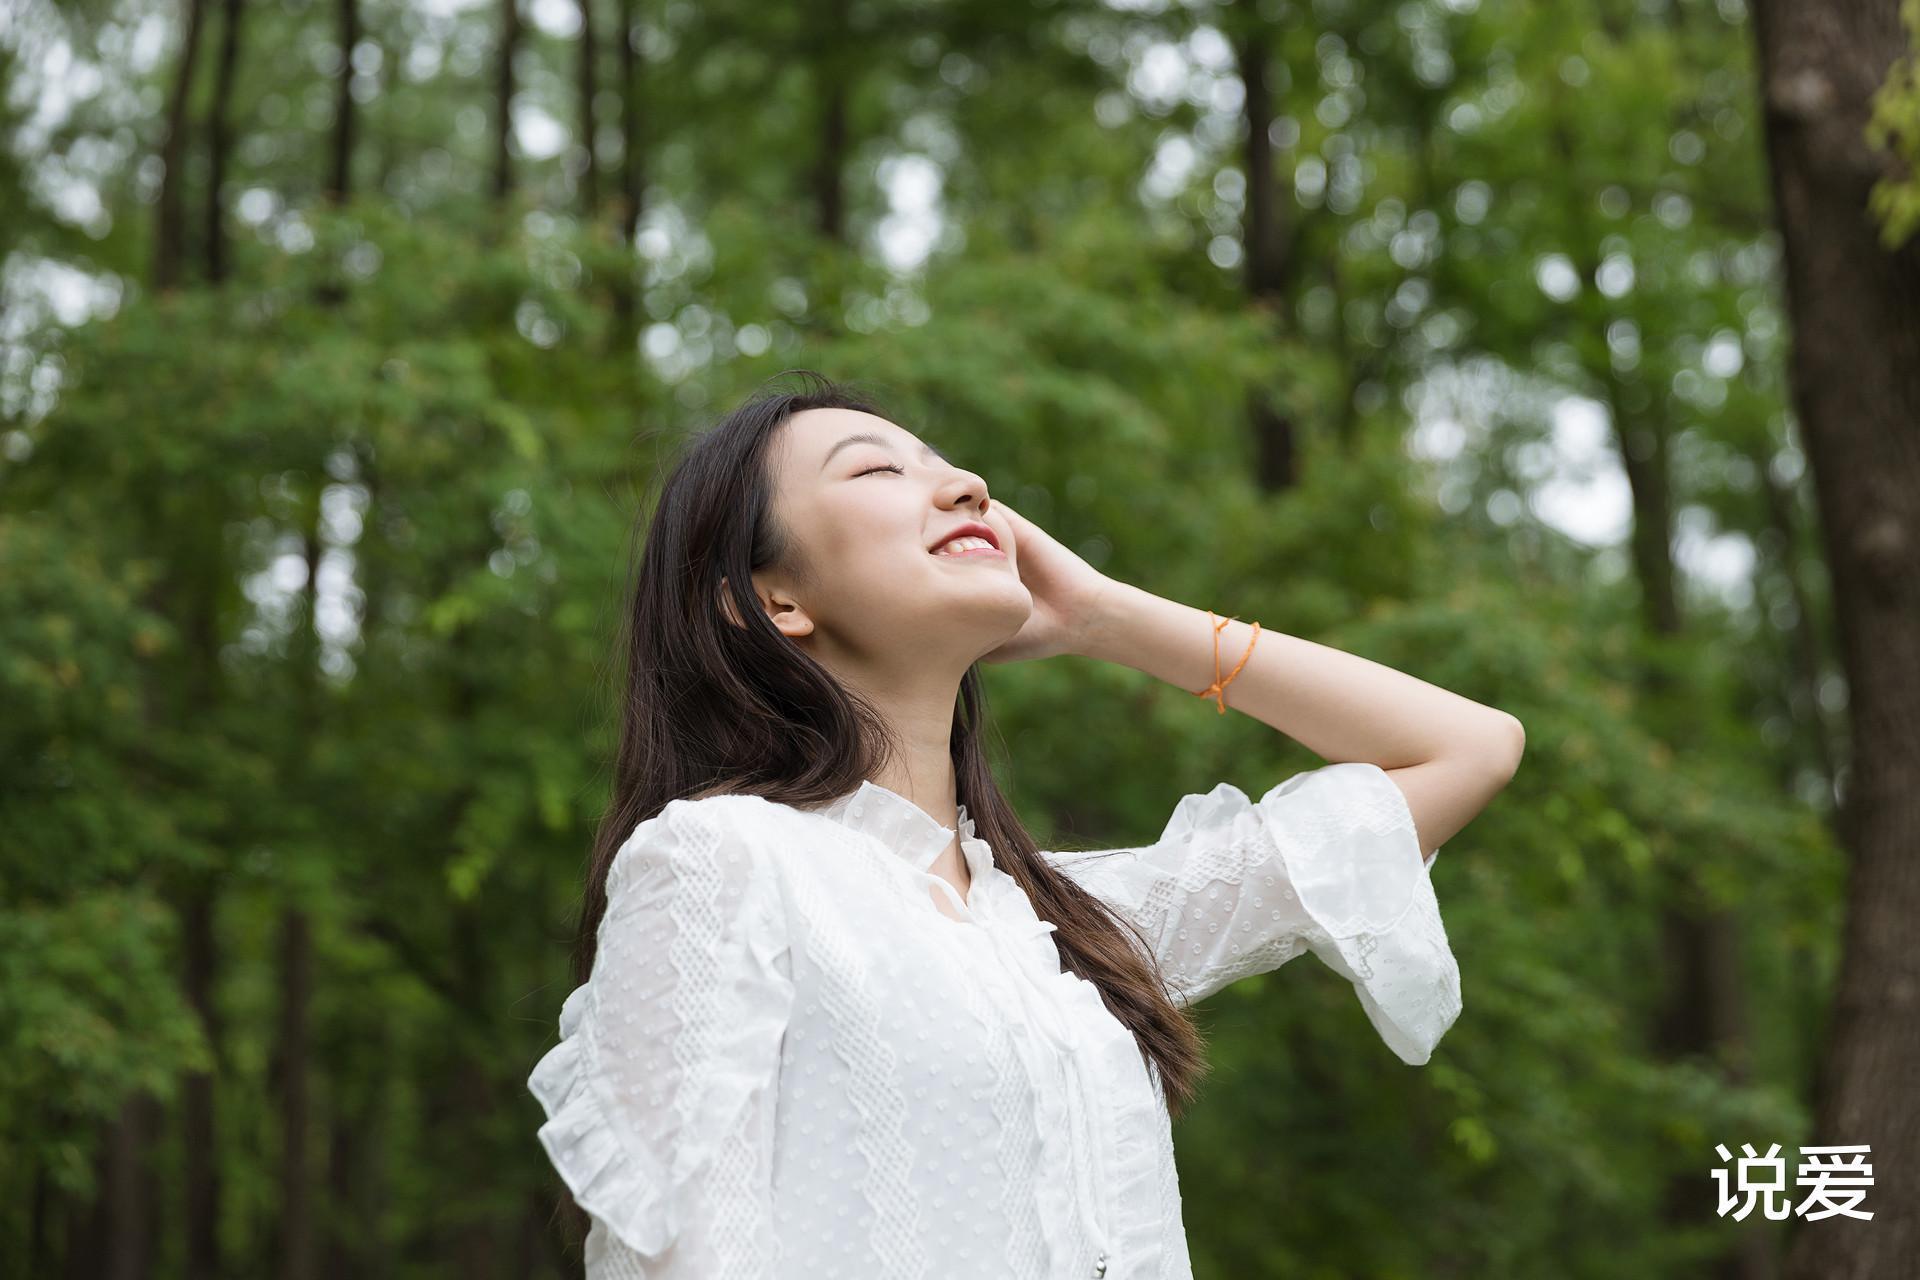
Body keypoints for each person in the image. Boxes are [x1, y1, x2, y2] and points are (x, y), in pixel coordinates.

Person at [527, 372, 1524, 1279]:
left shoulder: (1071, 927)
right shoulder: (721, 859)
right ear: (769, 600)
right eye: (877, 467)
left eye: (951, 467)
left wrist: (1106, 614)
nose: (965, 484)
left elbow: (1469, 747)